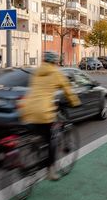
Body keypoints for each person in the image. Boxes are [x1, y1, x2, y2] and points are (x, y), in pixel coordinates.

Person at [18, 51, 81, 180]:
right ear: (54, 62)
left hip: (27, 109)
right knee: (52, 139)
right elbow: (68, 90)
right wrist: (75, 102)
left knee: (37, 134)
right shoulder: (56, 73)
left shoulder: (36, 72)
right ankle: (50, 171)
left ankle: (33, 147)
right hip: (43, 112)